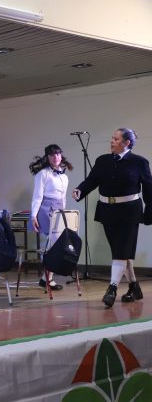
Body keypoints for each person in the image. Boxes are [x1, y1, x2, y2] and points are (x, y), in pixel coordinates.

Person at [72, 128, 152, 308]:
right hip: (107, 211)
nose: (111, 141)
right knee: (120, 252)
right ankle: (134, 287)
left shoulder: (140, 162)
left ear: (127, 143)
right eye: (112, 138)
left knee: (121, 251)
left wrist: (149, 213)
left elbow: (149, 189)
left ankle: (112, 288)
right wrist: (80, 190)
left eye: (116, 139)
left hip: (130, 212)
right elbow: (92, 180)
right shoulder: (102, 161)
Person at [29, 144, 73, 291]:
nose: (56, 157)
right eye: (52, 155)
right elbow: (37, 196)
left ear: (61, 156)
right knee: (53, 244)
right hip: (45, 209)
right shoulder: (43, 174)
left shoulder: (64, 176)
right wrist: (33, 215)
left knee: (57, 244)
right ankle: (47, 278)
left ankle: (46, 278)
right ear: (47, 157)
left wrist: (64, 213)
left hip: (59, 210)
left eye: (58, 154)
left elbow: (63, 198)